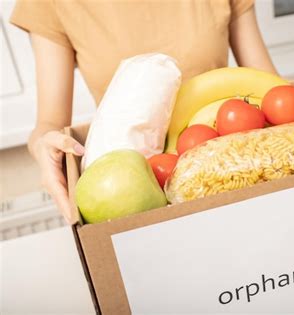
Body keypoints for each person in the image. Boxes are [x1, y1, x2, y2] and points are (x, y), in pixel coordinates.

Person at [10, 0, 277, 224]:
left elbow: (271, 90)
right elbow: (49, 123)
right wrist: (43, 145)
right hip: (130, 191)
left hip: (231, 171)